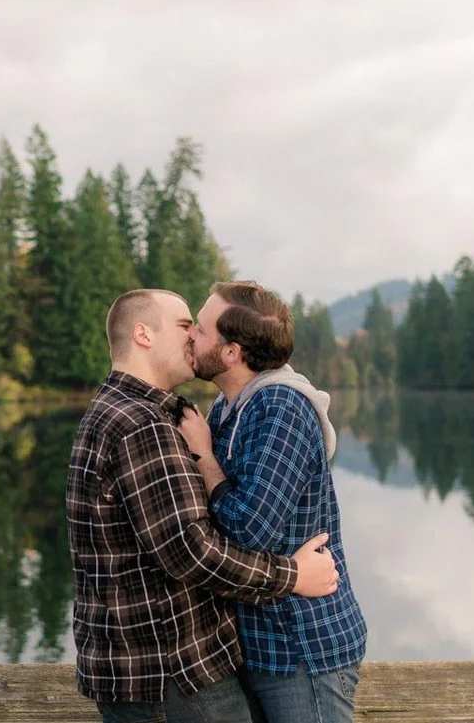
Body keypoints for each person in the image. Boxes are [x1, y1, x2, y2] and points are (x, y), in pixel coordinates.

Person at [67, 288, 341, 723]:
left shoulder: (125, 412)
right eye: (183, 325)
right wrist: (292, 576)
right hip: (172, 672)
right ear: (143, 334)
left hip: (161, 673)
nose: (193, 336)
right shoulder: (141, 424)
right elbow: (191, 551)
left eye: (197, 326)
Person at [180, 280, 368, 723]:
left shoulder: (280, 406)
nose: (190, 334)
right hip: (263, 647)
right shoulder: (231, 407)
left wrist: (205, 456)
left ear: (231, 352)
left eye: (202, 330)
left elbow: (250, 527)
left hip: (302, 648)